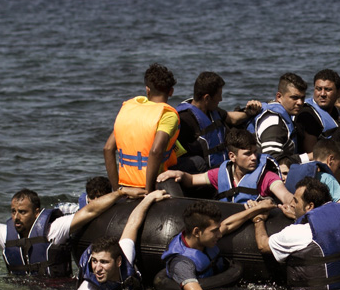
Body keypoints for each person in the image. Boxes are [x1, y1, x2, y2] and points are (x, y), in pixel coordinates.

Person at [0, 182, 140, 277]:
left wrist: (120, 193)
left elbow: (90, 211)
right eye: (13, 212)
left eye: (22, 212)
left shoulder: (54, 229)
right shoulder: (4, 235)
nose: (16, 217)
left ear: (37, 212)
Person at [250, 178, 340, 290]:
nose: (292, 204)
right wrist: (299, 217)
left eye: (296, 201)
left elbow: (263, 245)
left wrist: (258, 219)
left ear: (309, 206)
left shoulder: (297, 232)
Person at [158, 200, 276, 290]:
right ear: (197, 232)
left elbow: (227, 225)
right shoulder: (181, 263)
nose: (219, 235)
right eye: (215, 231)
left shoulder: (203, 237)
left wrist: (259, 208)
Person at [158, 129, 293, 205]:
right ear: (232, 156)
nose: (253, 157)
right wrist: (180, 174)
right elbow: (192, 180)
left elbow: (284, 195)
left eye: (254, 152)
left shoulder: (267, 177)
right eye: (247, 154)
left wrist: (292, 203)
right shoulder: (221, 173)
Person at [104, 63, 183, 192]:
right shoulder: (167, 115)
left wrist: (118, 191)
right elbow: (155, 151)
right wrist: (148, 192)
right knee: (197, 163)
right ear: (171, 92)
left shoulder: (130, 108)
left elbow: (108, 149)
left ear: (147, 89)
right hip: (152, 183)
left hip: (126, 184)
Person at [77, 189, 169, 290]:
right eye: (94, 261)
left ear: (118, 262)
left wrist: (150, 197)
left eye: (104, 262)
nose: (97, 269)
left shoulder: (125, 257)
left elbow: (132, 223)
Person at [174, 71, 261, 174]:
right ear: (207, 98)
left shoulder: (212, 110)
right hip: (203, 174)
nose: (221, 99)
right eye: (219, 95)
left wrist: (249, 112)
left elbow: (232, 118)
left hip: (222, 167)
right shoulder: (184, 120)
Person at [251, 72, 307, 164]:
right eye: (294, 98)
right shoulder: (273, 121)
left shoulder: (286, 115)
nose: (300, 102)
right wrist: (308, 157)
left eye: (302, 98)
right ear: (279, 97)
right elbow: (272, 160)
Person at [283, 138, 340, 203]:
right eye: (339, 166)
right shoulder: (328, 179)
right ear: (330, 159)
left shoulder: (294, 172)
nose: (338, 171)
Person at [295, 69, 340, 152]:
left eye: (328, 89)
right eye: (319, 89)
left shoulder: (337, 112)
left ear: (338, 93)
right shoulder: (307, 115)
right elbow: (312, 153)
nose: (322, 94)